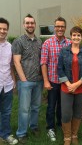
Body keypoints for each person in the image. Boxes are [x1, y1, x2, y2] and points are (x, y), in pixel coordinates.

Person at [12, 14, 43, 144]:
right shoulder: (18, 41)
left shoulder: (39, 41)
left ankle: (34, 126)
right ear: (24, 25)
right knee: (24, 109)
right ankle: (21, 132)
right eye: (27, 23)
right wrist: (23, 80)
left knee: (36, 106)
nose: (30, 25)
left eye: (32, 23)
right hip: (25, 81)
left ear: (35, 25)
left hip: (38, 80)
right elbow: (16, 62)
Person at [57, 26, 82, 145]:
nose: (76, 37)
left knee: (77, 112)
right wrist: (68, 84)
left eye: (78, 35)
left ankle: (74, 134)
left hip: (81, 87)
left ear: (81, 37)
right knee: (66, 113)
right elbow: (60, 69)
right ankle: (67, 136)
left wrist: (76, 84)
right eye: (74, 35)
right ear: (70, 37)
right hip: (66, 87)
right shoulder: (64, 51)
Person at [41, 17, 71, 142]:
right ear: (54, 28)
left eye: (62, 26)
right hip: (53, 81)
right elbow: (43, 63)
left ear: (65, 28)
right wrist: (46, 81)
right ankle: (50, 128)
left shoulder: (69, 43)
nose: (60, 28)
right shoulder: (47, 43)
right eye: (57, 26)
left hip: (66, 82)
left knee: (62, 106)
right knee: (51, 105)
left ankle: (60, 124)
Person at [0, 18, 18, 145]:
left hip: (7, 84)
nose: (2, 31)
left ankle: (5, 134)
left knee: (6, 112)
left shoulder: (10, 46)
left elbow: (11, 65)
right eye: (0, 28)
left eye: (5, 29)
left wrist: (14, 80)